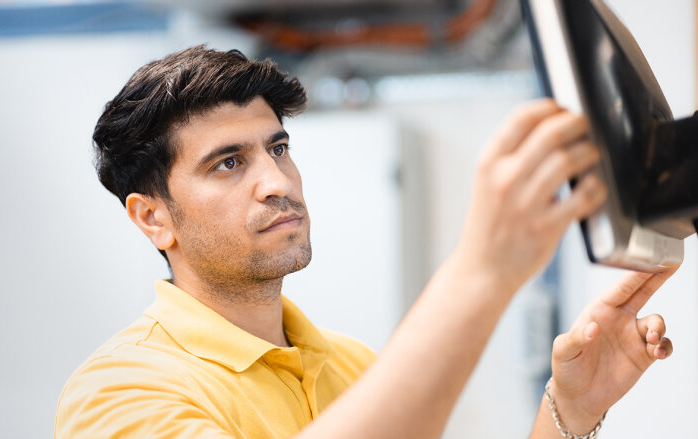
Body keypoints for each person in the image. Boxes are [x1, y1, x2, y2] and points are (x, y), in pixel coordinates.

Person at [55, 46, 676, 439]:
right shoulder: (119, 393)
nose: (276, 182)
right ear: (152, 218)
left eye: (278, 149)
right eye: (227, 163)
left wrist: (570, 410)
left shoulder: (353, 367)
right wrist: (482, 271)